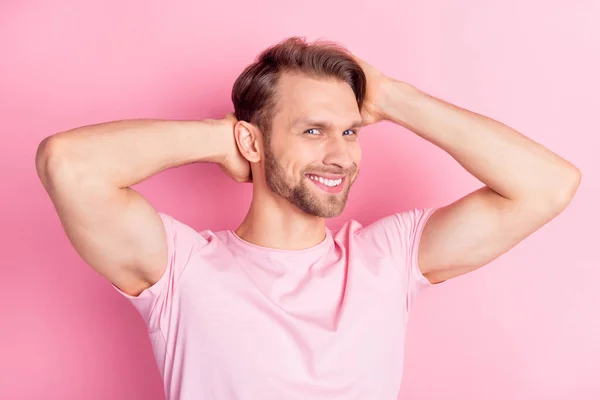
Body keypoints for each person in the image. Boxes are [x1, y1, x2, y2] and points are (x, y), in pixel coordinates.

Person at [35, 37, 581, 400]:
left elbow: (548, 185)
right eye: (312, 131)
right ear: (253, 139)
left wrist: (393, 98)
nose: (340, 156)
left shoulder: (386, 259)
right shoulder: (180, 269)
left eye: (349, 132)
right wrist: (220, 139)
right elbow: (68, 164)